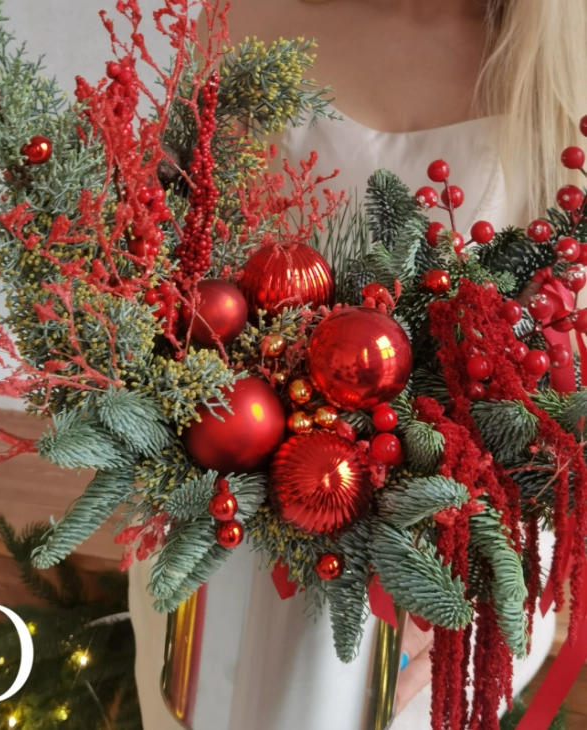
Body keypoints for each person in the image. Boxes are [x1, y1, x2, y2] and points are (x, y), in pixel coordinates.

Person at [130, 1, 587, 727]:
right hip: (221, 548)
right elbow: (150, 280)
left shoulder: (562, 74)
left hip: (439, 588)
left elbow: (562, 385)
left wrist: (469, 591)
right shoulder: (244, 17)